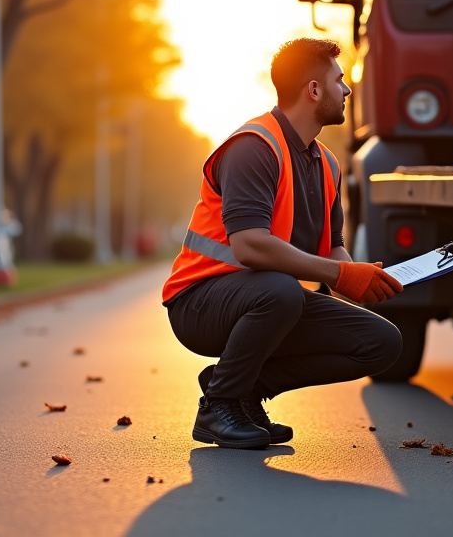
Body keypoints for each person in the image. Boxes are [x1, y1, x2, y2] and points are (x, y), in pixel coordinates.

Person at [164, 38, 404, 449]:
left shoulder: (326, 162)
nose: (346, 90)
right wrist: (339, 273)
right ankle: (218, 405)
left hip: (267, 299)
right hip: (198, 303)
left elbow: (332, 250)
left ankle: (242, 387)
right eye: (339, 81)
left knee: (382, 343)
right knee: (280, 293)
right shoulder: (253, 148)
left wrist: (362, 281)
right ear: (313, 90)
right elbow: (250, 247)